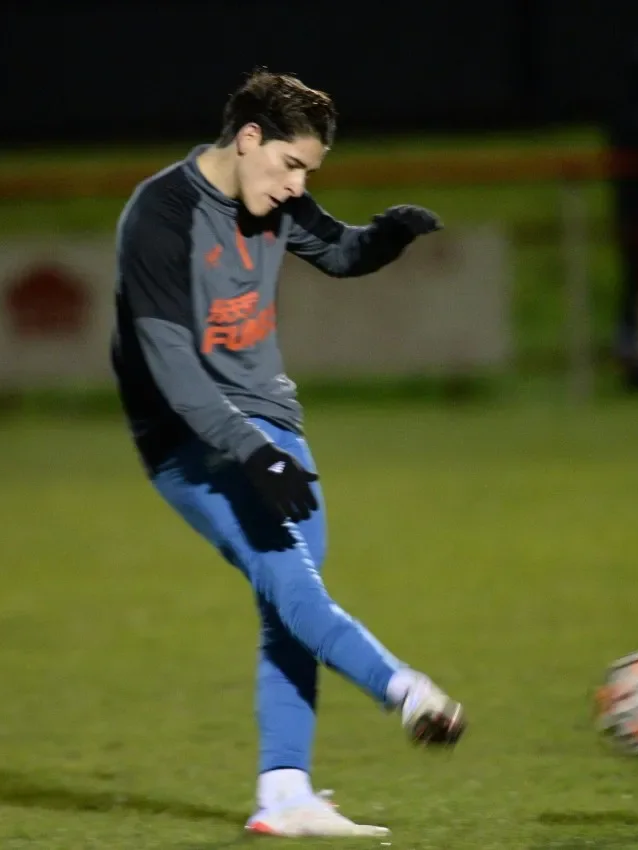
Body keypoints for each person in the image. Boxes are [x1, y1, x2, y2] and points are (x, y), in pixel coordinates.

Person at [110, 67, 466, 838]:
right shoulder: (161, 217)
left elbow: (339, 252)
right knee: (291, 582)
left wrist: (386, 238)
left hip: (270, 422)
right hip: (189, 437)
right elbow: (173, 373)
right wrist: (251, 453)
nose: (297, 185)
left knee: (290, 601)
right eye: (291, 164)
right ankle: (407, 692)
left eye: (309, 171)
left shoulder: (274, 200)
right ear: (248, 138)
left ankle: (285, 792)